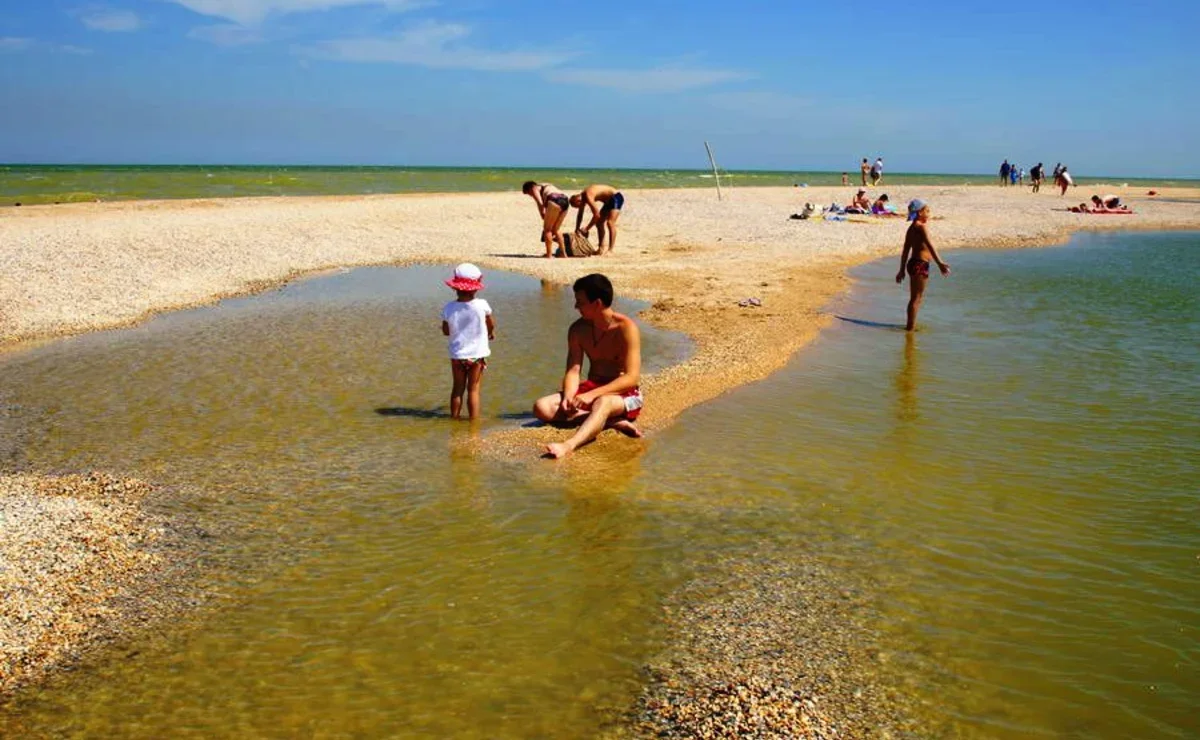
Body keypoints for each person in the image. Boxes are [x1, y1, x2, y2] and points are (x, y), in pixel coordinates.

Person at [533, 273, 644, 458]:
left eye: (580, 302)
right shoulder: (577, 329)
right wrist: (568, 397)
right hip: (592, 388)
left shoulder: (626, 328)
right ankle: (610, 422)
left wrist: (591, 395)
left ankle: (569, 445)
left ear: (597, 303)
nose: (576, 306)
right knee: (541, 407)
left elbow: (632, 378)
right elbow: (573, 369)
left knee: (603, 402)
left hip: (624, 393)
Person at [441, 263, 496, 421]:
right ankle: (474, 424)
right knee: (473, 390)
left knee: (457, 389)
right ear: (477, 287)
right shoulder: (482, 305)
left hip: (458, 355)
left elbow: (446, 331)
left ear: (454, 287)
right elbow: (490, 323)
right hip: (477, 355)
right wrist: (491, 333)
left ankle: (454, 419)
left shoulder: (448, 308)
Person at [896, 199, 950, 331]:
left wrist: (902, 269)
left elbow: (905, 251)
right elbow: (930, 246)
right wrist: (940, 263)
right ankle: (910, 329)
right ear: (920, 213)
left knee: (914, 298)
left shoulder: (911, 228)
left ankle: (910, 327)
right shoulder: (921, 227)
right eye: (927, 211)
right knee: (916, 298)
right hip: (920, 265)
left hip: (912, 264)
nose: (929, 213)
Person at [570, 184, 625, 254]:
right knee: (599, 223)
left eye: (578, 206)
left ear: (578, 201)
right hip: (608, 201)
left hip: (616, 197)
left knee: (610, 223)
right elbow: (580, 215)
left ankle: (610, 250)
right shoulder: (582, 198)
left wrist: (587, 228)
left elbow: (596, 215)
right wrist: (577, 229)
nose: (581, 207)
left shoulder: (587, 196)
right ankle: (601, 248)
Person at [522, 181, 569, 258]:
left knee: (547, 229)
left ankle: (549, 254)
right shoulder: (545, 185)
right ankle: (563, 253)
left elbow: (539, 202)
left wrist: (542, 214)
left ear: (529, 188)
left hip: (554, 200)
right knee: (556, 229)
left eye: (528, 193)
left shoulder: (534, 188)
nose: (531, 195)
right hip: (565, 200)